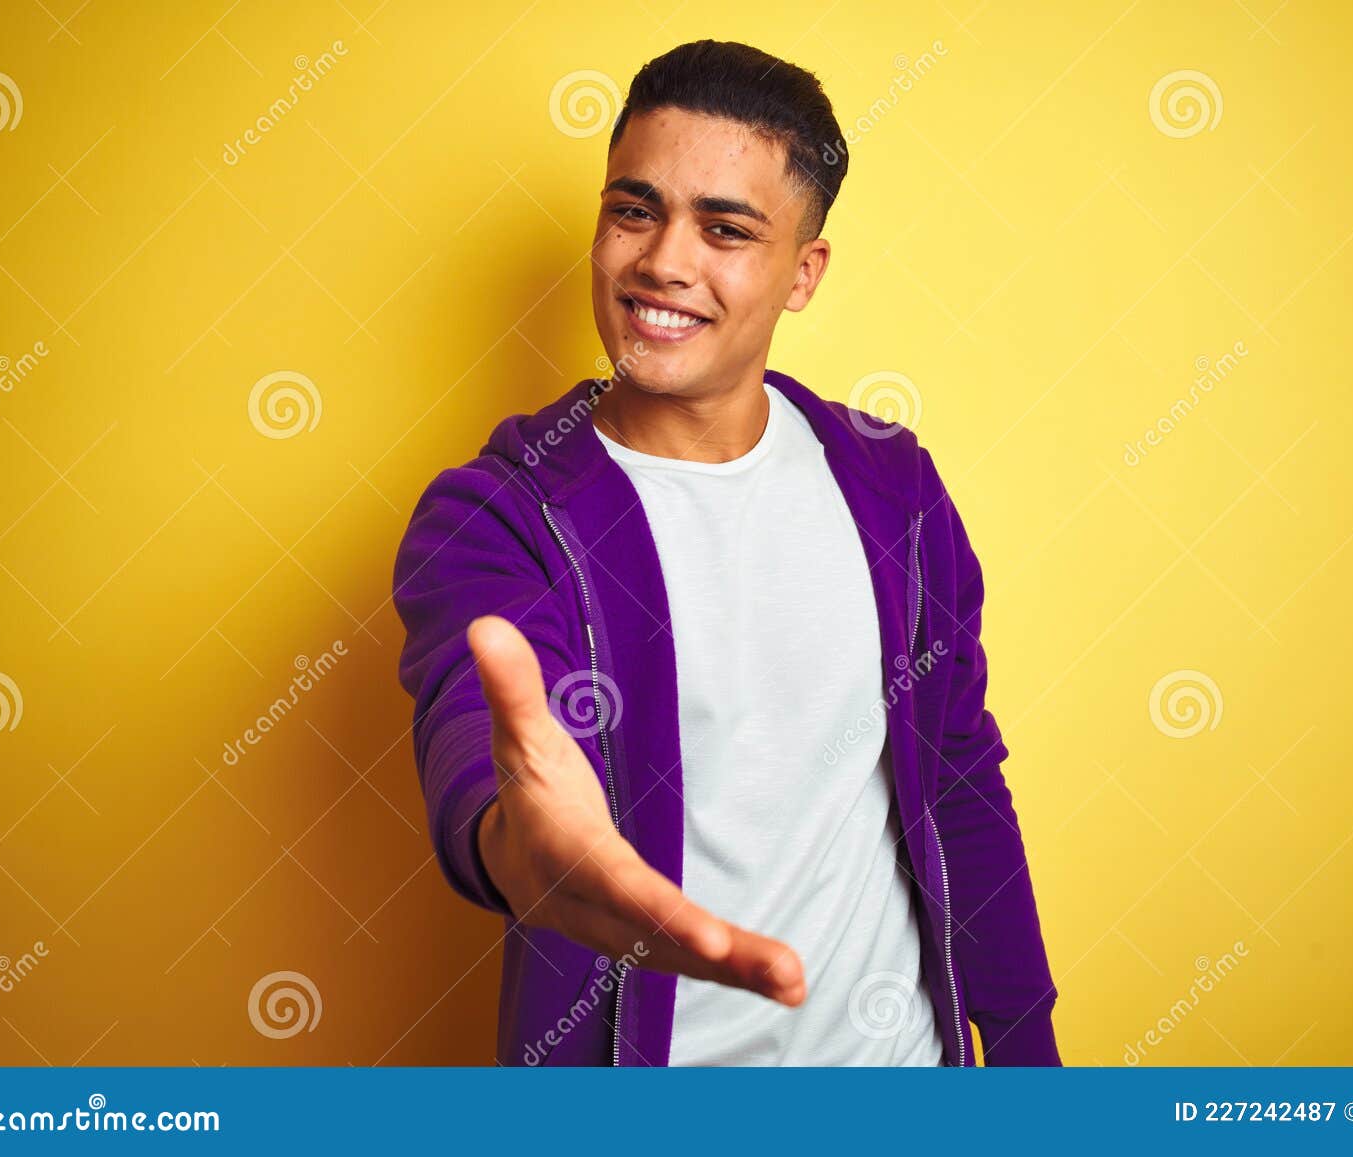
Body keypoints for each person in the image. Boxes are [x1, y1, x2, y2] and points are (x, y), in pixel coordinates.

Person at [392, 39, 1059, 1066]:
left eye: (725, 228)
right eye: (633, 209)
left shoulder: (892, 486)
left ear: (803, 272)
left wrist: (1023, 1045)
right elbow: (476, 725)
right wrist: (513, 843)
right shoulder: (499, 515)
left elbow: (957, 768)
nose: (663, 260)